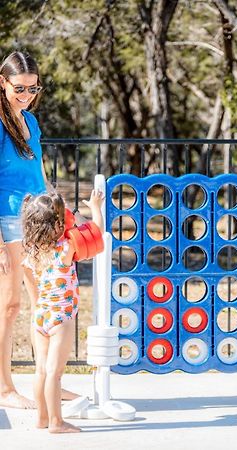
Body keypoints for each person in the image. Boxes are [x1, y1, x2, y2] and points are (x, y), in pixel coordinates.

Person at [22, 189, 104, 433]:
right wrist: (95, 208)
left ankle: (42, 418)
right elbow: (95, 234)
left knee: (41, 371)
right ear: (59, 225)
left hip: (41, 316)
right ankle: (57, 423)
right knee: (55, 375)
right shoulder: (66, 248)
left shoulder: (32, 252)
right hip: (61, 318)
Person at [0, 51, 47, 409]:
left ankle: (45, 384)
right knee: (9, 305)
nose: (27, 94)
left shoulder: (30, 120)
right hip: (8, 224)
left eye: (33, 88)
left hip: (36, 222)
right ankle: (4, 389)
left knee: (44, 304)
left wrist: (54, 214)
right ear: (2, 82)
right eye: (20, 88)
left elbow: (39, 176)